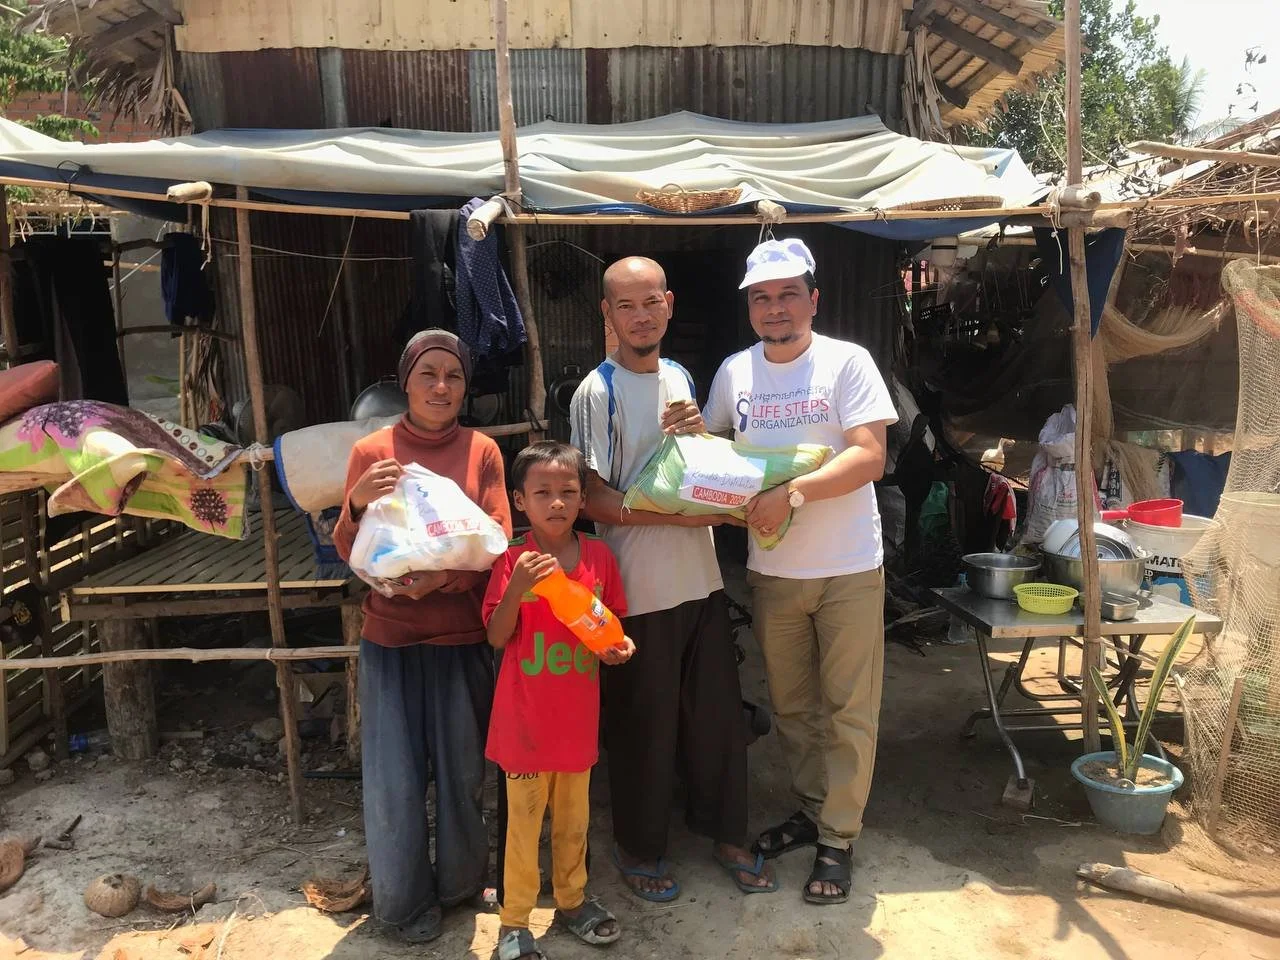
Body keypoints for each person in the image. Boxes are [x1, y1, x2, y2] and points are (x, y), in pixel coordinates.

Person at [569, 256, 776, 902]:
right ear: (607, 314)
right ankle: (640, 847)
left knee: (716, 719)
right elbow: (592, 498)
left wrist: (708, 458)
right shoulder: (596, 392)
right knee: (644, 726)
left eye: (651, 302)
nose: (640, 316)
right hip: (637, 589)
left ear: (669, 304)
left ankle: (726, 833)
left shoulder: (682, 377)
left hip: (701, 580)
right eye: (626, 306)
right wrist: (686, 517)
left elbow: (695, 468)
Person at [704, 238, 898, 905]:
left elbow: (870, 456)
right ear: (750, 309)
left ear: (813, 300)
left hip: (849, 566)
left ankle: (838, 838)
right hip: (774, 570)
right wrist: (690, 442)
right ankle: (814, 811)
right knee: (792, 707)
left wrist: (792, 493)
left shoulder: (847, 362)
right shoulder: (735, 373)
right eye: (761, 297)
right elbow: (714, 450)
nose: (775, 308)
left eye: (788, 294)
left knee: (849, 709)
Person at [333, 329, 513, 943]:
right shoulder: (372, 451)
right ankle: (404, 903)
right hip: (391, 640)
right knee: (394, 782)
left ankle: (461, 885)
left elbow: (497, 541)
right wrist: (357, 503)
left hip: (461, 638)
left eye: (453, 375)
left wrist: (441, 580)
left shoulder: (482, 451)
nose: (441, 386)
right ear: (404, 382)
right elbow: (349, 548)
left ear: (465, 386)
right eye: (428, 374)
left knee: (463, 775)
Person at [484, 441, 636, 960]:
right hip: (523, 724)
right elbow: (496, 637)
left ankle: (572, 901)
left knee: (574, 823)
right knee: (524, 827)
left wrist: (619, 649)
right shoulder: (512, 560)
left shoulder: (598, 557)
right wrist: (516, 588)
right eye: (542, 492)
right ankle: (514, 922)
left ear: (583, 499)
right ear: (519, 500)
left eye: (568, 492)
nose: (556, 502)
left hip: (576, 722)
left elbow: (611, 627)